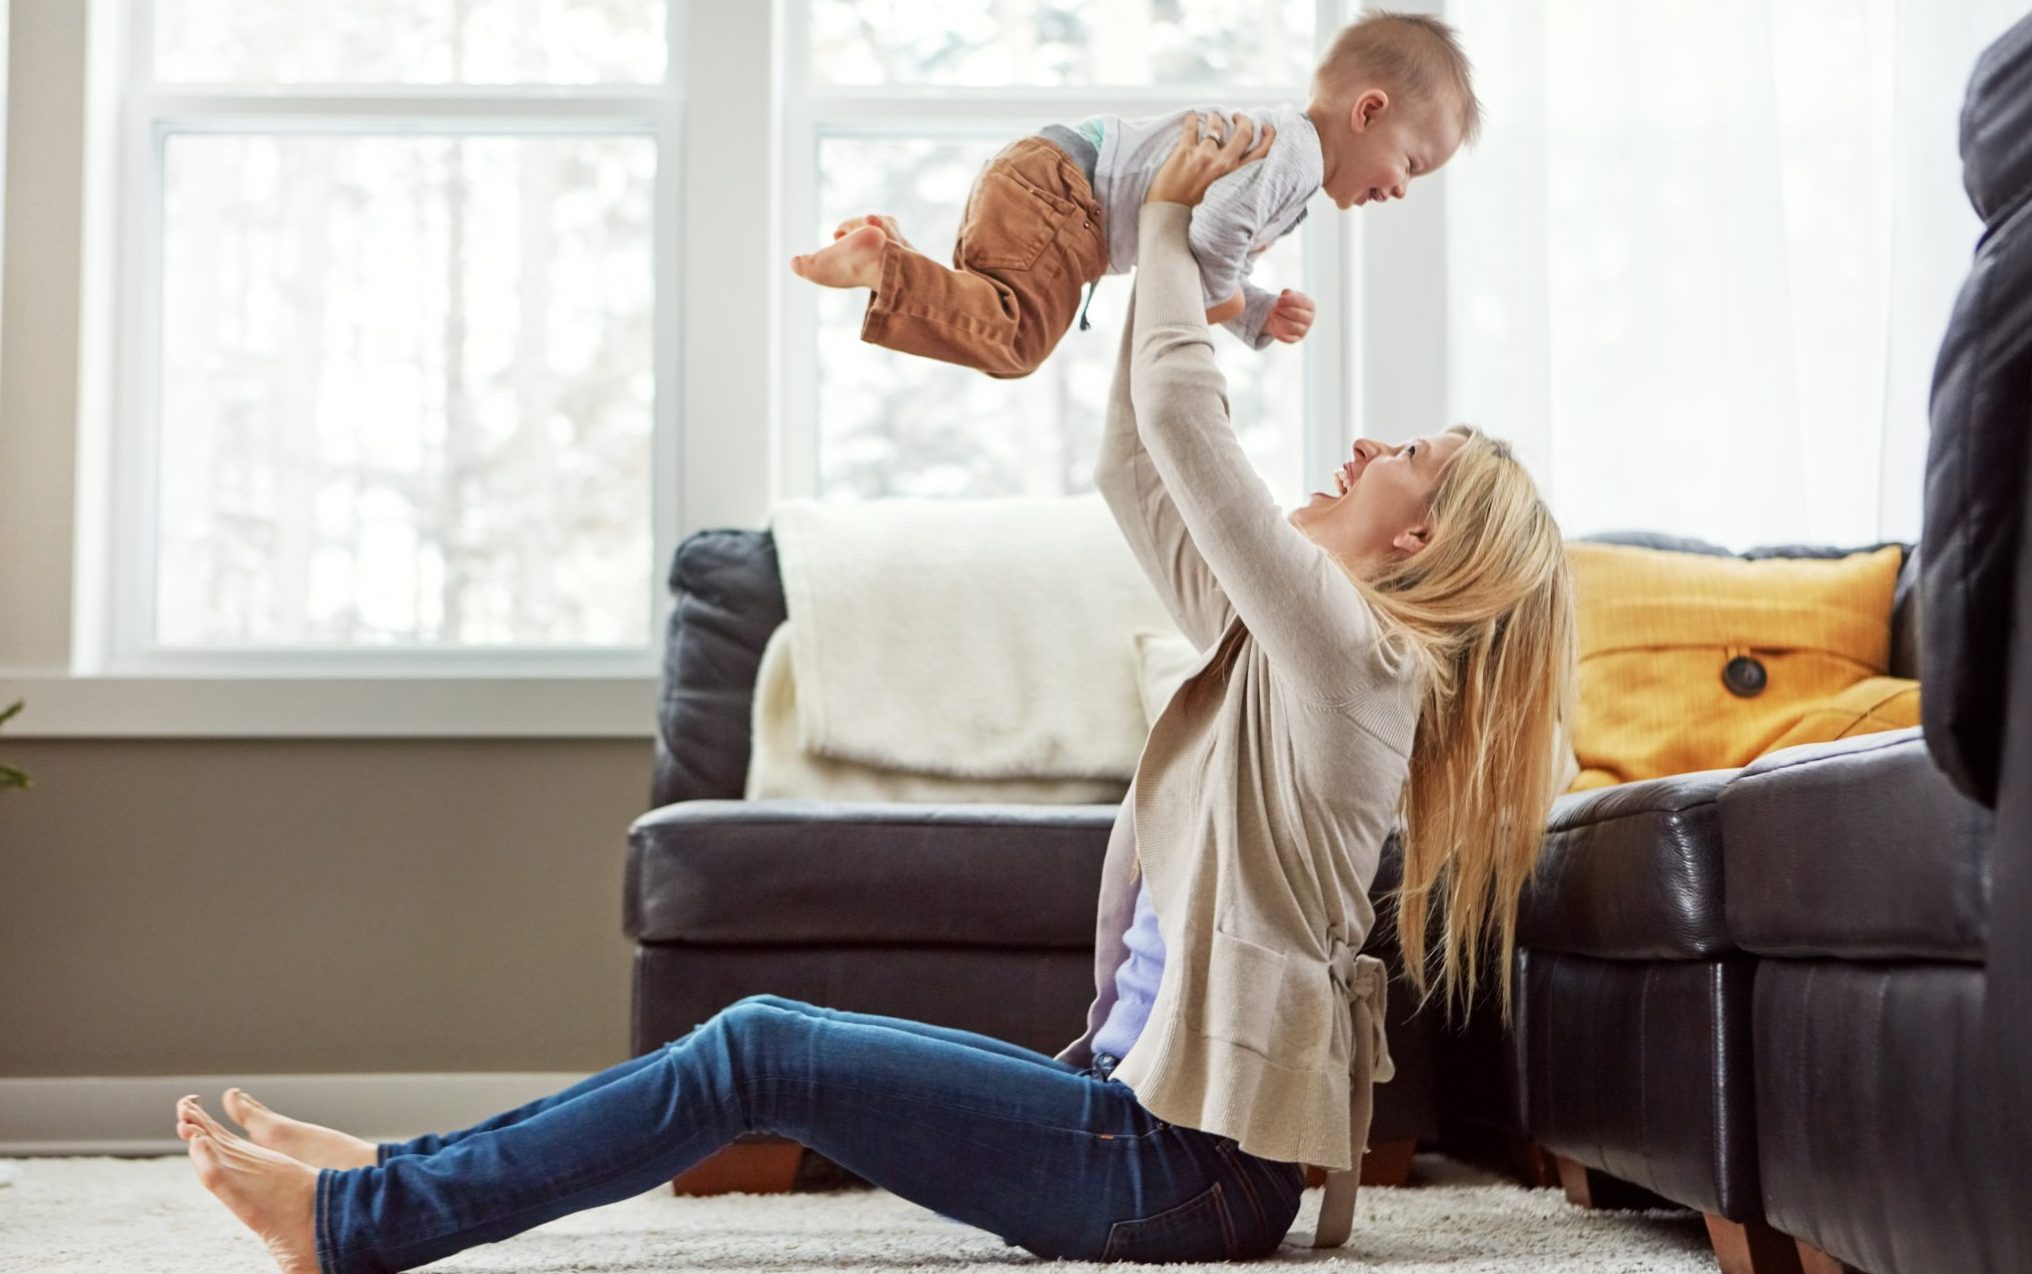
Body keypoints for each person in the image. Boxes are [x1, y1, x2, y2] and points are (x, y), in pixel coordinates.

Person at [172, 114, 1574, 1274]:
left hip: (1182, 1171)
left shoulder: (1357, 657)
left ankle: (363, 1223)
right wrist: (1142, 242)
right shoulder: (1285, 643)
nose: (1376, 442)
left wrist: (1163, 231)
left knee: (761, 1050)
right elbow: (1136, 467)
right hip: (1134, 1120)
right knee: (759, 1041)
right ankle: (409, 1174)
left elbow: (1183, 416)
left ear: (1420, 540)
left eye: (1417, 456)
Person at [790, 10, 1479, 378]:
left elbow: (1202, 248)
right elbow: (1212, 240)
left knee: (990, 306)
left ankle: (890, 250)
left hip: (1047, 177)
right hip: (1067, 196)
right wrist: (1234, 305)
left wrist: (1256, 312)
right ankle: (883, 267)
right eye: (1411, 165)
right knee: (1017, 342)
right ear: (1368, 111)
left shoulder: (1288, 158)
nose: (1399, 192)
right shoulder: (1296, 156)